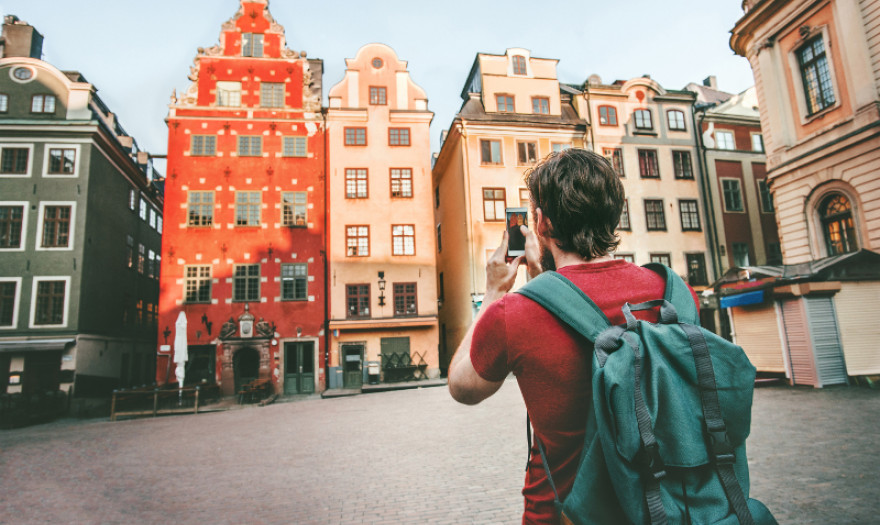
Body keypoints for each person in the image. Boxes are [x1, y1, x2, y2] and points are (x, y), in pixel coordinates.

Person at [447, 148, 698, 524]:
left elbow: (462, 387)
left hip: (565, 513)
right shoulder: (675, 293)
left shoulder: (514, 314)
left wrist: (495, 291)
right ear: (614, 215)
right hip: (669, 507)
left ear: (542, 222)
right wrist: (543, 286)